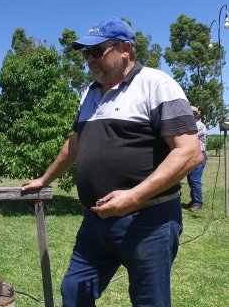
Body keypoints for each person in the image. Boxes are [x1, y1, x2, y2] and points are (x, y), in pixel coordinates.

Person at [21, 18, 203, 306]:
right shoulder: (90, 93)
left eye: (97, 51)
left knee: (149, 302)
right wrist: (45, 179)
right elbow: (75, 143)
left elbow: (190, 152)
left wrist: (133, 197)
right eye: (85, 53)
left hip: (149, 221)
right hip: (96, 221)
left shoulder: (157, 85)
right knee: (74, 291)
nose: (89, 59)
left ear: (126, 49)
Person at [187, 106, 208, 212]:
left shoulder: (199, 125)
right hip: (192, 156)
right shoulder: (190, 125)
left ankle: (198, 204)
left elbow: (189, 137)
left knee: (195, 179)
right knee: (191, 179)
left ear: (195, 115)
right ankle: (194, 201)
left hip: (199, 155)